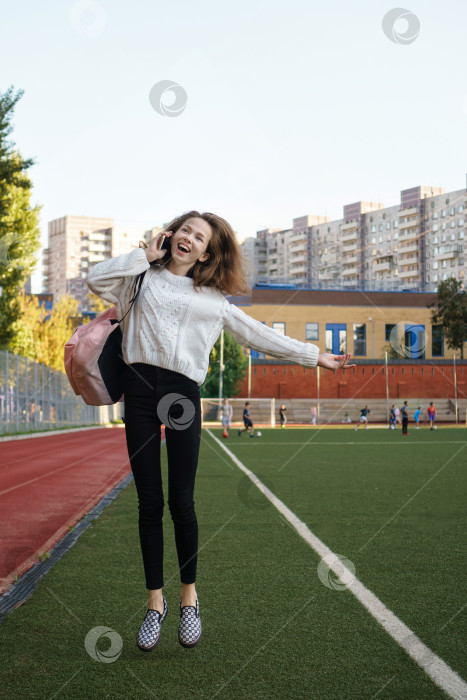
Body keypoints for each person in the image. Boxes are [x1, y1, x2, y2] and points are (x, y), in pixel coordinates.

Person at [87, 210, 355, 653]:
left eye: (199, 236)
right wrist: (142, 255)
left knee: (182, 500)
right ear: (171, 235)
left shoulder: (212, 301)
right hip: (137, 392)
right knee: (149, 501)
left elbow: (258, 335)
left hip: (180, 394)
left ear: (208, 251)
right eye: (184, 231)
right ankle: (155, 603)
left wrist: (315, 356)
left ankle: (189, 597)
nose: (188, 239)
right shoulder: (137, 278)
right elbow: (95, 280)